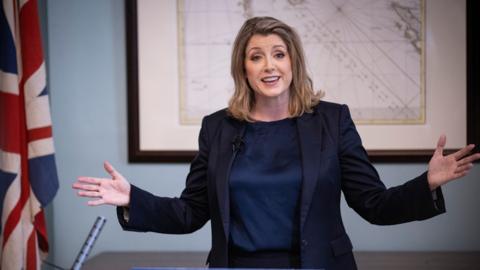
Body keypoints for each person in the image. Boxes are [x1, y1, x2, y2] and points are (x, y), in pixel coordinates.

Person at [72, 16, 480, 270]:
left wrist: (427, 183)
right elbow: (191, 213)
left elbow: (373, 204)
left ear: (293, 63)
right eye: (256, 56)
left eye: (279, 54)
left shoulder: (332, 121)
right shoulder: (217, 128)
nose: (269, 65)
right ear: (243, 69)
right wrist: (132, 199)